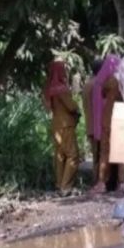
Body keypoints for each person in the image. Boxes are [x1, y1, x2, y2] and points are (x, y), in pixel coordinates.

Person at [42, 59, 80, 193]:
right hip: (66, 124)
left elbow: (48, 107)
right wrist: (77, 107)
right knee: (73, 155)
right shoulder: (61, 89)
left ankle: (59, 184)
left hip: (56, 125)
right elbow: (71, 106)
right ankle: (66, 186)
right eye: (63, 69)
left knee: (60, 156)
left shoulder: (49, 88)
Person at [90, 54, 121, 192]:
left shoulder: (102, 82)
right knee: (122, 153)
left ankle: (102, 182)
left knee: (105, 153)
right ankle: (121, 183)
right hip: (120, 119)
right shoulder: (119, 80)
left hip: (106, 119)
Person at [81, 58, 102, 179]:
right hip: (99, 125)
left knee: (95, 156)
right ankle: (99, 180)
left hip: (90, 124)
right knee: (101, 155)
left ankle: (96, 180)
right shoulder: (98, 85)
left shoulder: (87, 85)